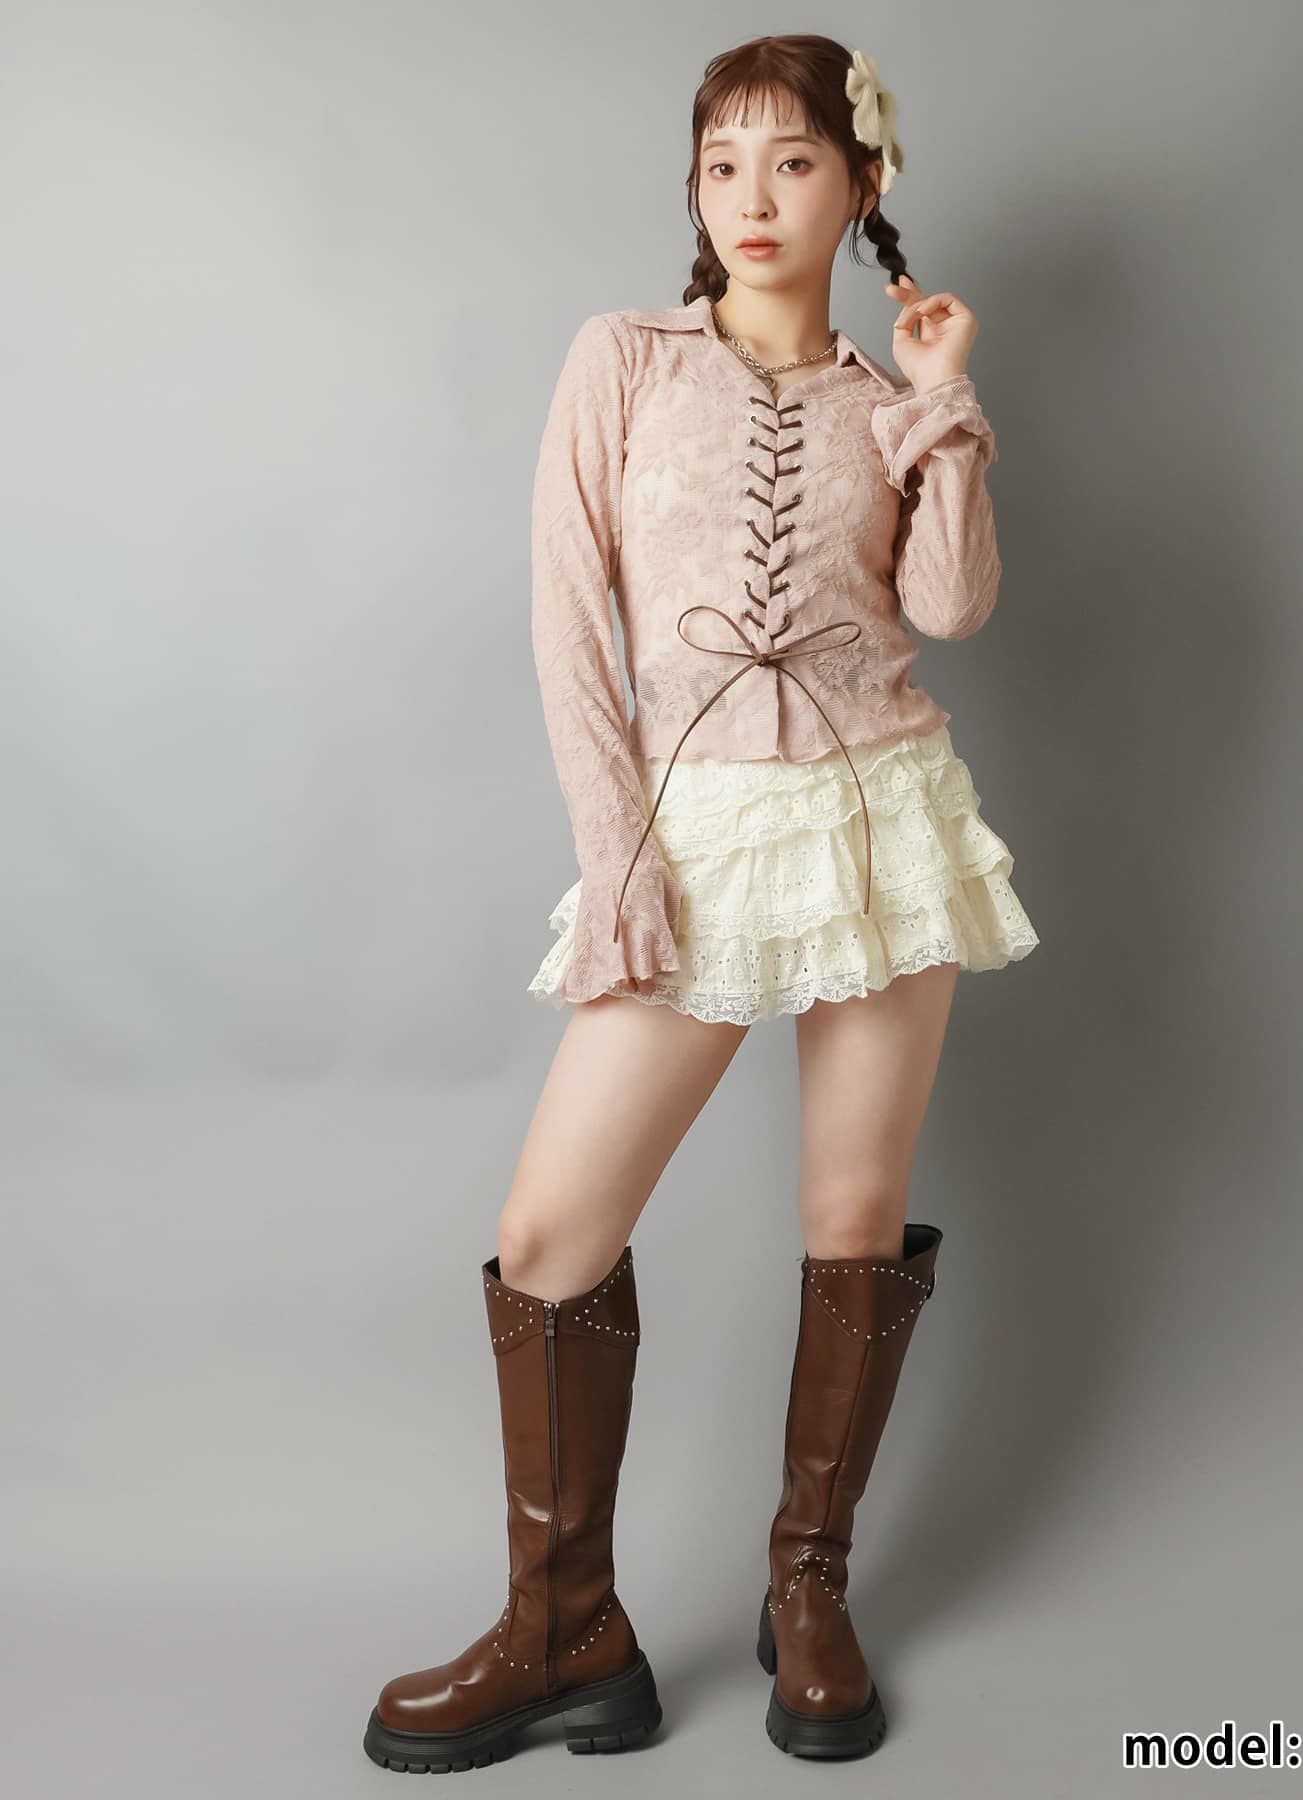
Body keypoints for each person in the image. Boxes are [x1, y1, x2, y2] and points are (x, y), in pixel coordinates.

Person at [363, 33, 1039, 1772]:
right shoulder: (625, 359)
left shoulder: (889, 395)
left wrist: (944, 399)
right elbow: (569, 621)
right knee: (552, 1232)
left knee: (855, 1207)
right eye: (723, 161)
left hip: (884, 816)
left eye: (795, 161)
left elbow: (954, 606)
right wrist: (619, 862)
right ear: (692, 184)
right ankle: (565, 1631)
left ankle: (808, 1585)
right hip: (695, 830)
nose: (754, 196)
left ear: (861, 187)